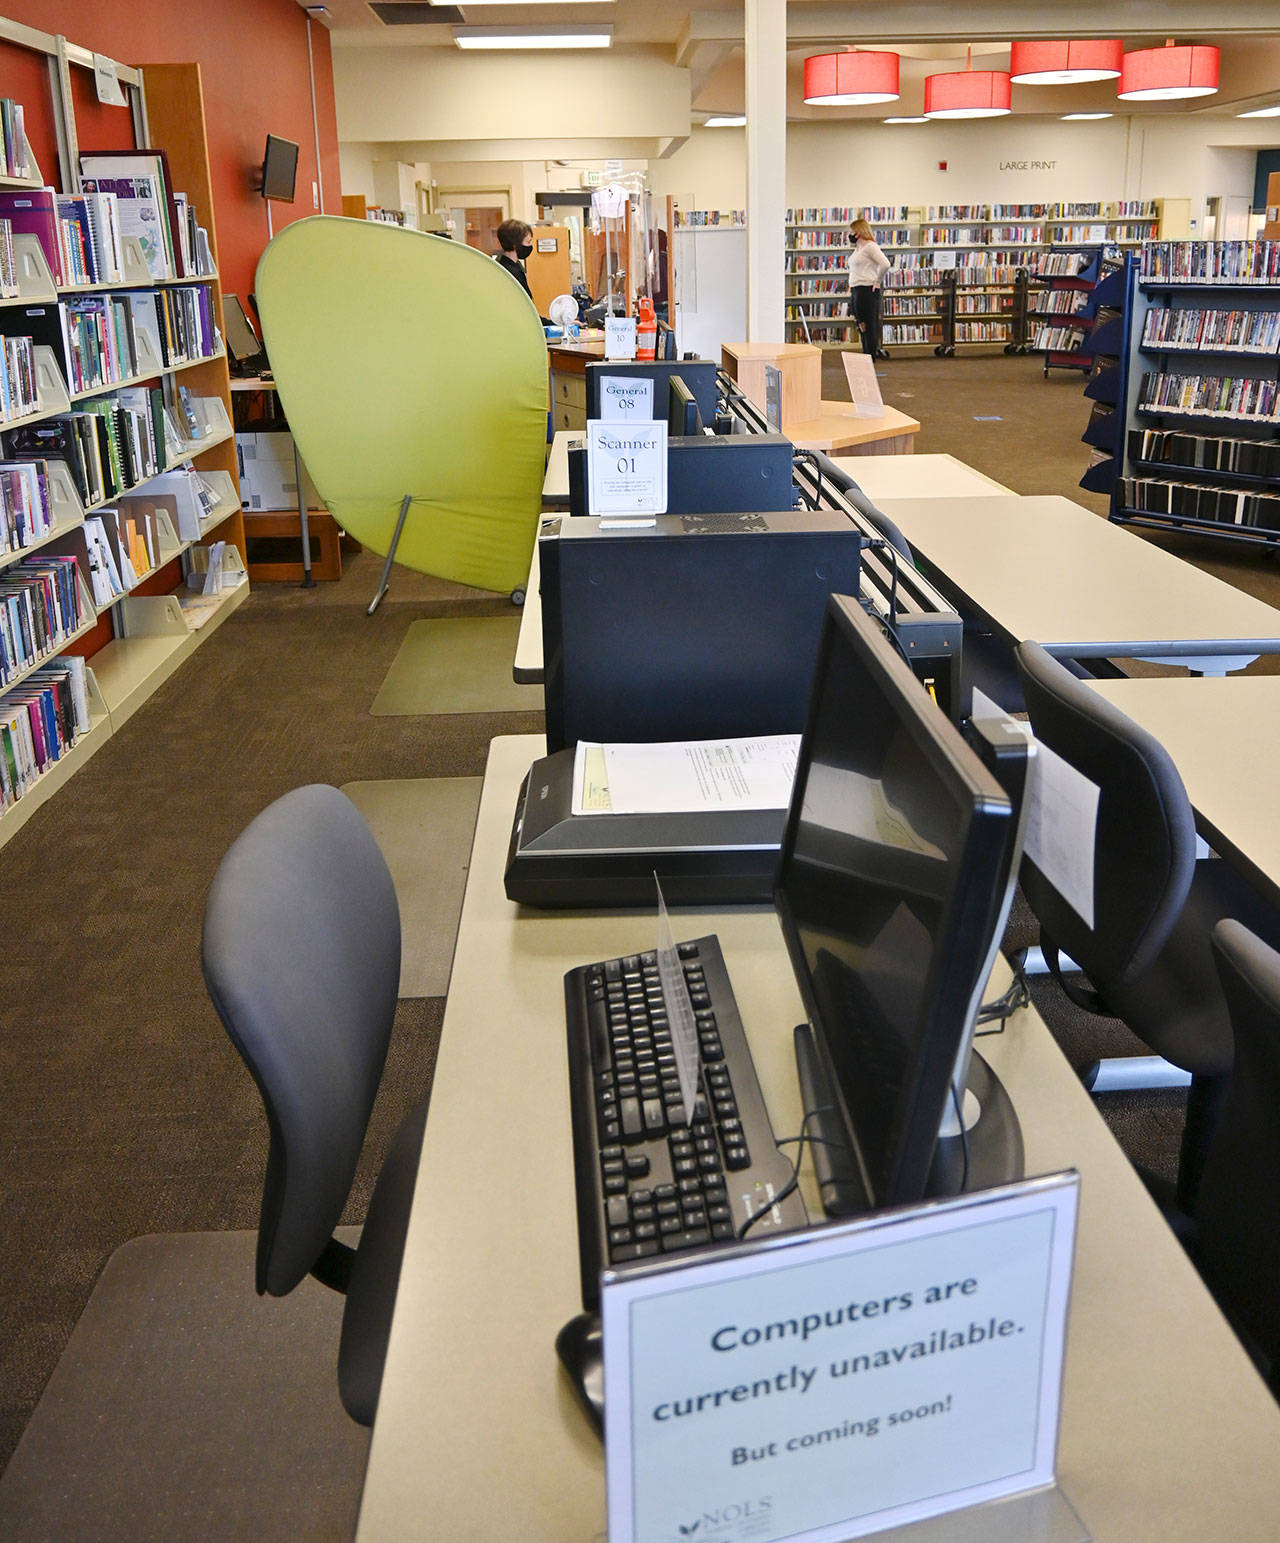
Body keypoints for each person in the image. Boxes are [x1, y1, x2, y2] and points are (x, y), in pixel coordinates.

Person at [847, 217, 891, 360]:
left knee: (869, 324)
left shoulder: (871, 247)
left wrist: (877, 281)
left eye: (852, 231)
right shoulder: (858, 249)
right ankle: (866, 354)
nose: (850, 234)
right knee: (861, 324)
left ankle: (870, 356)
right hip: (856, 289)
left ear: (859, 231)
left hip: (866, 290)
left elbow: (885, 264)